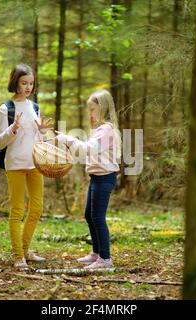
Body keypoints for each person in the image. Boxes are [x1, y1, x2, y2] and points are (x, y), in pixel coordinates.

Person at [0, 63, 53, 268]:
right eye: (24, 83)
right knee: (17, 211)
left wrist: (43, 132)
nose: (28, 87)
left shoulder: (34, 107)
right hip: (15, 165)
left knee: (36, 209)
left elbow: (37, 138)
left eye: (31, 83)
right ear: (15, 83)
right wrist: (13, 128)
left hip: (34, 164)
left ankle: (25, 250)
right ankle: (18, 256)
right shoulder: (6, 109)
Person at [55, 89, 121, 269]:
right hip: (96, 178)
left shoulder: (106, 130)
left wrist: (68, 140)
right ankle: (97, 253)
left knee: (98, 217)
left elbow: (90, 149)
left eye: (93, 109)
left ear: (103, 108)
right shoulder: (99, 129)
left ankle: (106, 259)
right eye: (89, 110)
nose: (90, 113)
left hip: (105, 178)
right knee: (89, 215)